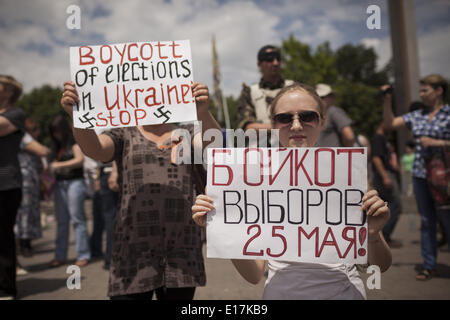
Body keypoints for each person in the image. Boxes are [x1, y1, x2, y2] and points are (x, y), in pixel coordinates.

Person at [193, 83, 392, 300]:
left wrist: (372, 234)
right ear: (274, 125)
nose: (296, 126)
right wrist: (222, 228)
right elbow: (254, 274)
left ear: (322, 121)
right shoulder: (258, 180)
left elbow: (380, 266)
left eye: (307, 116)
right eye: (285, 118)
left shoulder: (349, 176)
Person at [60, 81, 220, 300]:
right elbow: (95, 150)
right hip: (132, 247)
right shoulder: (123, 133)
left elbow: (216, 147)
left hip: (181, 247)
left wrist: (203, 112)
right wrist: (76, 116)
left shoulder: (188, 132)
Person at [381, 74, 450, 280]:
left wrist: (438, 143)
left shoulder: (448, 114)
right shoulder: (417, 115)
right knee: (427, 220)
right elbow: (390, 124)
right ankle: (429, 265)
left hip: (445, 177)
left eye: (425, 90)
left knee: (447, 219)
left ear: (439, 91)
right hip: (421, 175)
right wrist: (386, 101)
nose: (420, 94)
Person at [48, 114, 91, 268]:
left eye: (57, 131)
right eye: (53, 132)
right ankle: (60, 255)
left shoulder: (73, 142)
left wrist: (58, 166)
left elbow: (80, 160)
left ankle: (83, 254)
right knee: (62, 221)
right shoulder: (55, 146)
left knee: (77, 219)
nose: (56, 135)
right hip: (60, 184)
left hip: (74, 182)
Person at [0, 75, 25, 300]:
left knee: (3, 236)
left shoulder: (15, 115)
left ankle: (6, 288)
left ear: (9, 92)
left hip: (6, 184)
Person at [237, 45, 294, 142]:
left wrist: (262, 128)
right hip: (261, 154)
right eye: (269, 59)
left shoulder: (295, 88)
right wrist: (285, 127)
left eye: (278, 59)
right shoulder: (249, 92)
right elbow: (247, 130)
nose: (275, 63)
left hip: (293, 152)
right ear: (259, 64)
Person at [15, 118, 50, 257]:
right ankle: (23, 246)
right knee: (24, 215)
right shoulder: (23, 137)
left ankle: (25, 245)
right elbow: (42, 151)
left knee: (27, 214)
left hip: (28, 181)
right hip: (24, 182)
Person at [370, 122, 403, 248]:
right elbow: (376, 158)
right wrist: (385, 176)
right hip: (383, 175)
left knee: (387, 206)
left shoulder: (383, 138)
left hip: (385, 174)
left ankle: (383, 236)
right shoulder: (378, 138)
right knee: (395, 206)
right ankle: (385, 236)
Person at [315, 83, 355, 147]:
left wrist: (345, 154)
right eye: (318, 97)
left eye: (322, 97)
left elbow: (349, 137)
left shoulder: (334, 111)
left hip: (333, 156)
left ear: (331, 97)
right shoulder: (317, 113)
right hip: (321, 155)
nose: (319, 100)